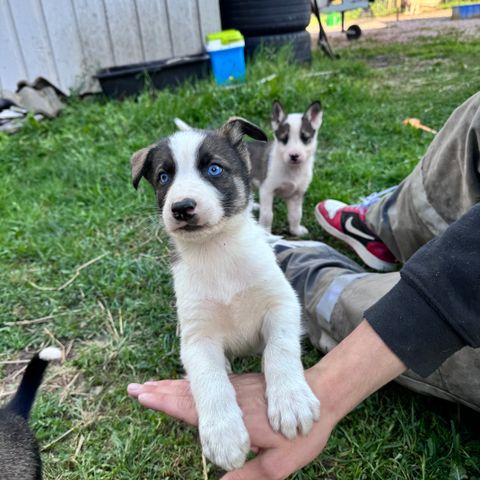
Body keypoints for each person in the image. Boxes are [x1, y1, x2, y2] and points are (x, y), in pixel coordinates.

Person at [128, 92, 480, 479]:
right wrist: (216, 407)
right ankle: (379, 223)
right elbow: (198, 340)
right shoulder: (185, 270)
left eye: (212, 169)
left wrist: (284, 374)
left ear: (243, 165)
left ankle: (303, 258)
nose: (182, 198)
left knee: (297, 297)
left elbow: (281, 308)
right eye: (166, 176)